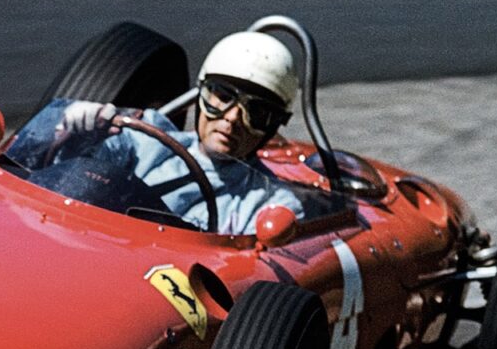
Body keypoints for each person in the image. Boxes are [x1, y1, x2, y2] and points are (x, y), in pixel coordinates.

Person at [38, 31, 305, 235]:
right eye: (222, 96)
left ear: (273, 125)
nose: (232, 118)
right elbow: (67, 170)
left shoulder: (271, 206)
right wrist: (79, 131)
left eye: (256, 112)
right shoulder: (145, 139)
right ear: (201, 94)